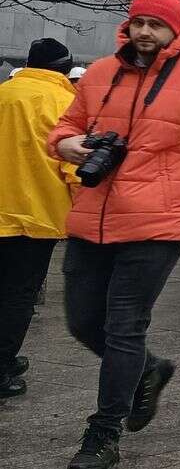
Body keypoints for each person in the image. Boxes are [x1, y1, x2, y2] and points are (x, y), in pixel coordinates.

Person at [49, 0, 180, 469]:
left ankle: (102, 434)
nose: (144, 32)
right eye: (138, 22)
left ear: (176, 30)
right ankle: (149, 369)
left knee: (124, 327)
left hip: (156, 225)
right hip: (91, 218)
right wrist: (66, 144)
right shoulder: (100, 73)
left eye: (155, 25)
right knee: (81, 322)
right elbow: (63, 127)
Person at [0, 39, 78, 401]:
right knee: (18, 295)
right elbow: (76, 167)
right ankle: (2, 369)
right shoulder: (66, 104)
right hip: (36, 217)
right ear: (64, 69)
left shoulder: (4, 92)